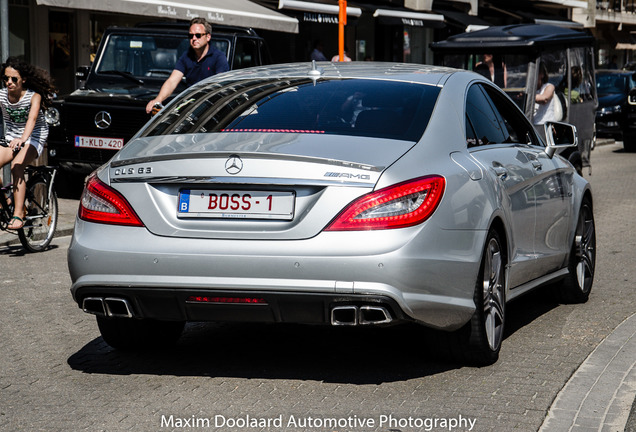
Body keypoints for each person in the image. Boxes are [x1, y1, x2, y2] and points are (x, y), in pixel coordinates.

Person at [0, 57, 55, 230]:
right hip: (12, 137)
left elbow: (32, 120)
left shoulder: (34, 96)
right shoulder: (2, 95)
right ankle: (6, 199)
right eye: (6, 79)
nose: (9, 82)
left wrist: (23, 139)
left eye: (13, 79)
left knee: (17, 167)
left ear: (23, 79)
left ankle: (18, 214)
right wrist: (16, 139)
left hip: (33, 137)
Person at [145, 17, 229, 114]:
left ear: (208, 37)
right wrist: (158, 100)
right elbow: (172, 81)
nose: (194, 39)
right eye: (191, 36)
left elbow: (220, 86)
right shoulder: (186, 56)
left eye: (198, 35)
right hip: (191, 106)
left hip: (212, 108)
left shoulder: (218, 57)